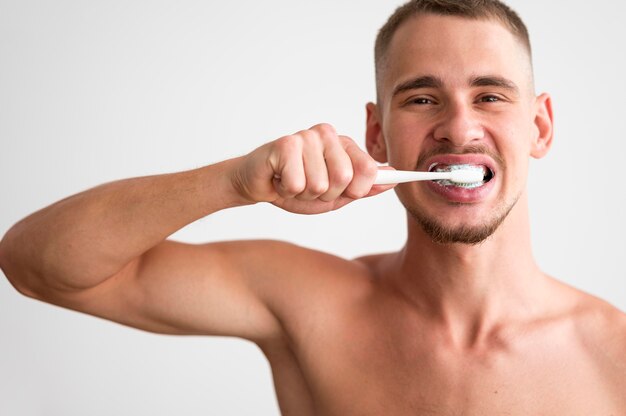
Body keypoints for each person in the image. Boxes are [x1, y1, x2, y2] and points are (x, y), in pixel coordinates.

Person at [1, 0, 625, 414]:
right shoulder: (306, 303)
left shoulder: (614, 356)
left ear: (540, 126)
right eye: (422, 100)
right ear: (376, 136)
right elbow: (34, 262)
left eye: (490, 96)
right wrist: (237, 183)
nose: (459, 129)